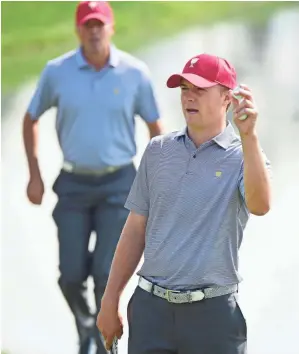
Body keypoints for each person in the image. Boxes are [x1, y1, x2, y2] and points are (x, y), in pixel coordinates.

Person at [96, 53, 273, 354]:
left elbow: (260, 205)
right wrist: (110, 299)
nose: (189, 97)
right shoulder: (158, 150)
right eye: (184, 89)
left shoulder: (244, 155)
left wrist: (249, 137)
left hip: (213, 316)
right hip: (151, 311)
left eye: (200, 89)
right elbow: (135, 228)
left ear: (226, 98)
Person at [22, 1, 163, 353]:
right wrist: (34, 175)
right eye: (88, 24)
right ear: (78, 30)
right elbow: (30, 118)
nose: (94, 30)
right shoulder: (57, 72)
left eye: (100, 24)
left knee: (106, 275)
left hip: (119, 186)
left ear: (111, 28)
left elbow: (156, 129)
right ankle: (86, 324)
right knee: (70, 275)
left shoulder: (134, 73)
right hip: (72, 185)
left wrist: (156, 184)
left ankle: (103, 346)